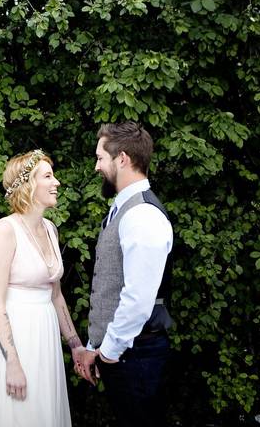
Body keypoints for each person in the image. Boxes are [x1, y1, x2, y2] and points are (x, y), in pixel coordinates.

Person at [0, 150, 85, 427]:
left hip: (44, 337)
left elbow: (55, 295)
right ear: (28, 185)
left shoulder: (50, 229)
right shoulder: (5, 230)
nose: (56, 182)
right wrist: (11, 361)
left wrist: (76, 345)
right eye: (48, 176)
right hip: (15, 340)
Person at [72, 122, 174, 427]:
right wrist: (94, 348)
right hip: (125, 353)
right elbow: (109, 287)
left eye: (101, 158)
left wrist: (110, 352)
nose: (96, 167)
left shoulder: (143, 215)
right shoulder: (122, 209)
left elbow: (137, 300)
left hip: (136, 355)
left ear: (123, 159)